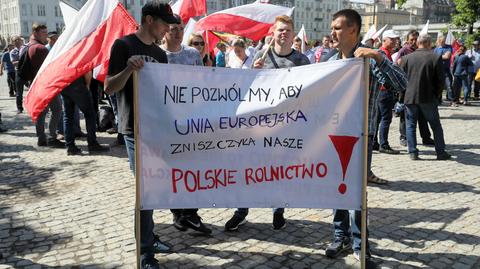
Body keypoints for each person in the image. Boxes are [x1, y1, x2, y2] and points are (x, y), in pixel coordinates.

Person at [324, 9, 407, 267]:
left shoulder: (369, 59)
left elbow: (401, 85)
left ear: (353, 30)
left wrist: (379, 58)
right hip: (332, 136)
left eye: (337, 27)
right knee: (337, 188)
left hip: (361, 137)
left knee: (357, 193)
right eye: (332, 27)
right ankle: (341, 236)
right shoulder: (329, 60)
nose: (332, 33)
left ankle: (361, 245)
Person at [105, 2, 179, 268]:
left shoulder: (160, 55)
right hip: (133, 130)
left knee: (155, 188)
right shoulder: (123, 46)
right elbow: (109, 86)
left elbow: (164, 95)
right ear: (149, 20)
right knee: (145, 191)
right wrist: (128, 69)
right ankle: (145, 253)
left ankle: (148, 235)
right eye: (164, 23)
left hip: (156, 130)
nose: (168, 29)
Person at [224, 15, 310, 232]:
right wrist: (253, 73)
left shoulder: (302, 61)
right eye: (280, 30)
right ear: (272, 33)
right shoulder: (260, 57)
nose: (283, 33)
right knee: (249, 170)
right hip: (259, 127)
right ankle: (241, 212)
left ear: (293, 35)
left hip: (286, 127)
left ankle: (278, 210)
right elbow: (246, 91)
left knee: (279, 171)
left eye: (287, 30)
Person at [160, 13, 212, 235]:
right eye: (173, 28)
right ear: (164, 30)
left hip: (192, 121)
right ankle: (178, 214)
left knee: (194, 166)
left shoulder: (192, 54)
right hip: (166, 121)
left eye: (180, 28)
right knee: (172, 169)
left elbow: (202, 83)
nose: (178, 31)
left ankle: (191, 213)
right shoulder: (156, 55)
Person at [400, 35, 451, 161]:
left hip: (410, 97)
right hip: (428, 97)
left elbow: (400, 79)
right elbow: (440, 80)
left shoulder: (406, 58)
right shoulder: (435, 57)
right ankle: (440, 152)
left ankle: (413, 152)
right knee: (435, 125)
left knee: (411, 125)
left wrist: (402, 97)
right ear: (429, 43)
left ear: (418, 43)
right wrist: (437, 95)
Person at [25, 24, 64, 148]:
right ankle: (51, 136)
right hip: (46, 85)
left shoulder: (30, 46)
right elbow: (49, 69)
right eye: (43, 32)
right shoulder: (40, 48)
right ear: (35, 32)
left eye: (46, 32)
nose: (45, 35)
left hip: (38, 84)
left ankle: (42, 137)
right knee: (57, 109)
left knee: (42, 112)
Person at [395, 30, 434, 147]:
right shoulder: (403, 51)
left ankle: (426, 137)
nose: (413, 41)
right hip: (407, 88)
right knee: (405, 115)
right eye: (411, 39)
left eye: (415, 39)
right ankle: (404, 137)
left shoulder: (422, 51)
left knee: (423, 115)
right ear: (407, 39)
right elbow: (397, 67)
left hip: (421, 88)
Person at [61, 73, 109, 155]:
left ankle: (70, 146)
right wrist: (87, 85)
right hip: (78, 83)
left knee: (68, 116)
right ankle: (92, 143)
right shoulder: (77, 59)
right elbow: (87, 71)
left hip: (64, 83)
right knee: (90, 114)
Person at [372, 30, 401, 155]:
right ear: (384, 40)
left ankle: (374, 142)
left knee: (378, 118)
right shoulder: (382, 53)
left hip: (382, 90)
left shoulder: (385, 53)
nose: (395, 41)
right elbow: (381, 72)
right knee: (385, 118)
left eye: (395, 39)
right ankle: (383, 144)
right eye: (392, 39)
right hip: (384, 90)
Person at [433, 36, 453, 102]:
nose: (442, 42)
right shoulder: (436, 49)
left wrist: (437, 57)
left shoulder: (449, 47)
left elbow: (447, 56)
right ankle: (439, 100)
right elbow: (433, 58)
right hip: (438, 69)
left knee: (449, 86)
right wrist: (442, 56)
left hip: (446, 70)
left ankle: (451, 100)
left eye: (443, 41)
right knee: (439, 86)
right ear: (438, 41)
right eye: (440, 41)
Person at [10, 36, 25, 113]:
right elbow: (14, 63)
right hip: (19, 72)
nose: (17, 41)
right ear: (13, 43)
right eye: (15, 40)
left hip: (28, 71)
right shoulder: (13, 52)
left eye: (18, 39)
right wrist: (23, 60)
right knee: (19, 92)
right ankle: (19, 108)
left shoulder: (26, 48)